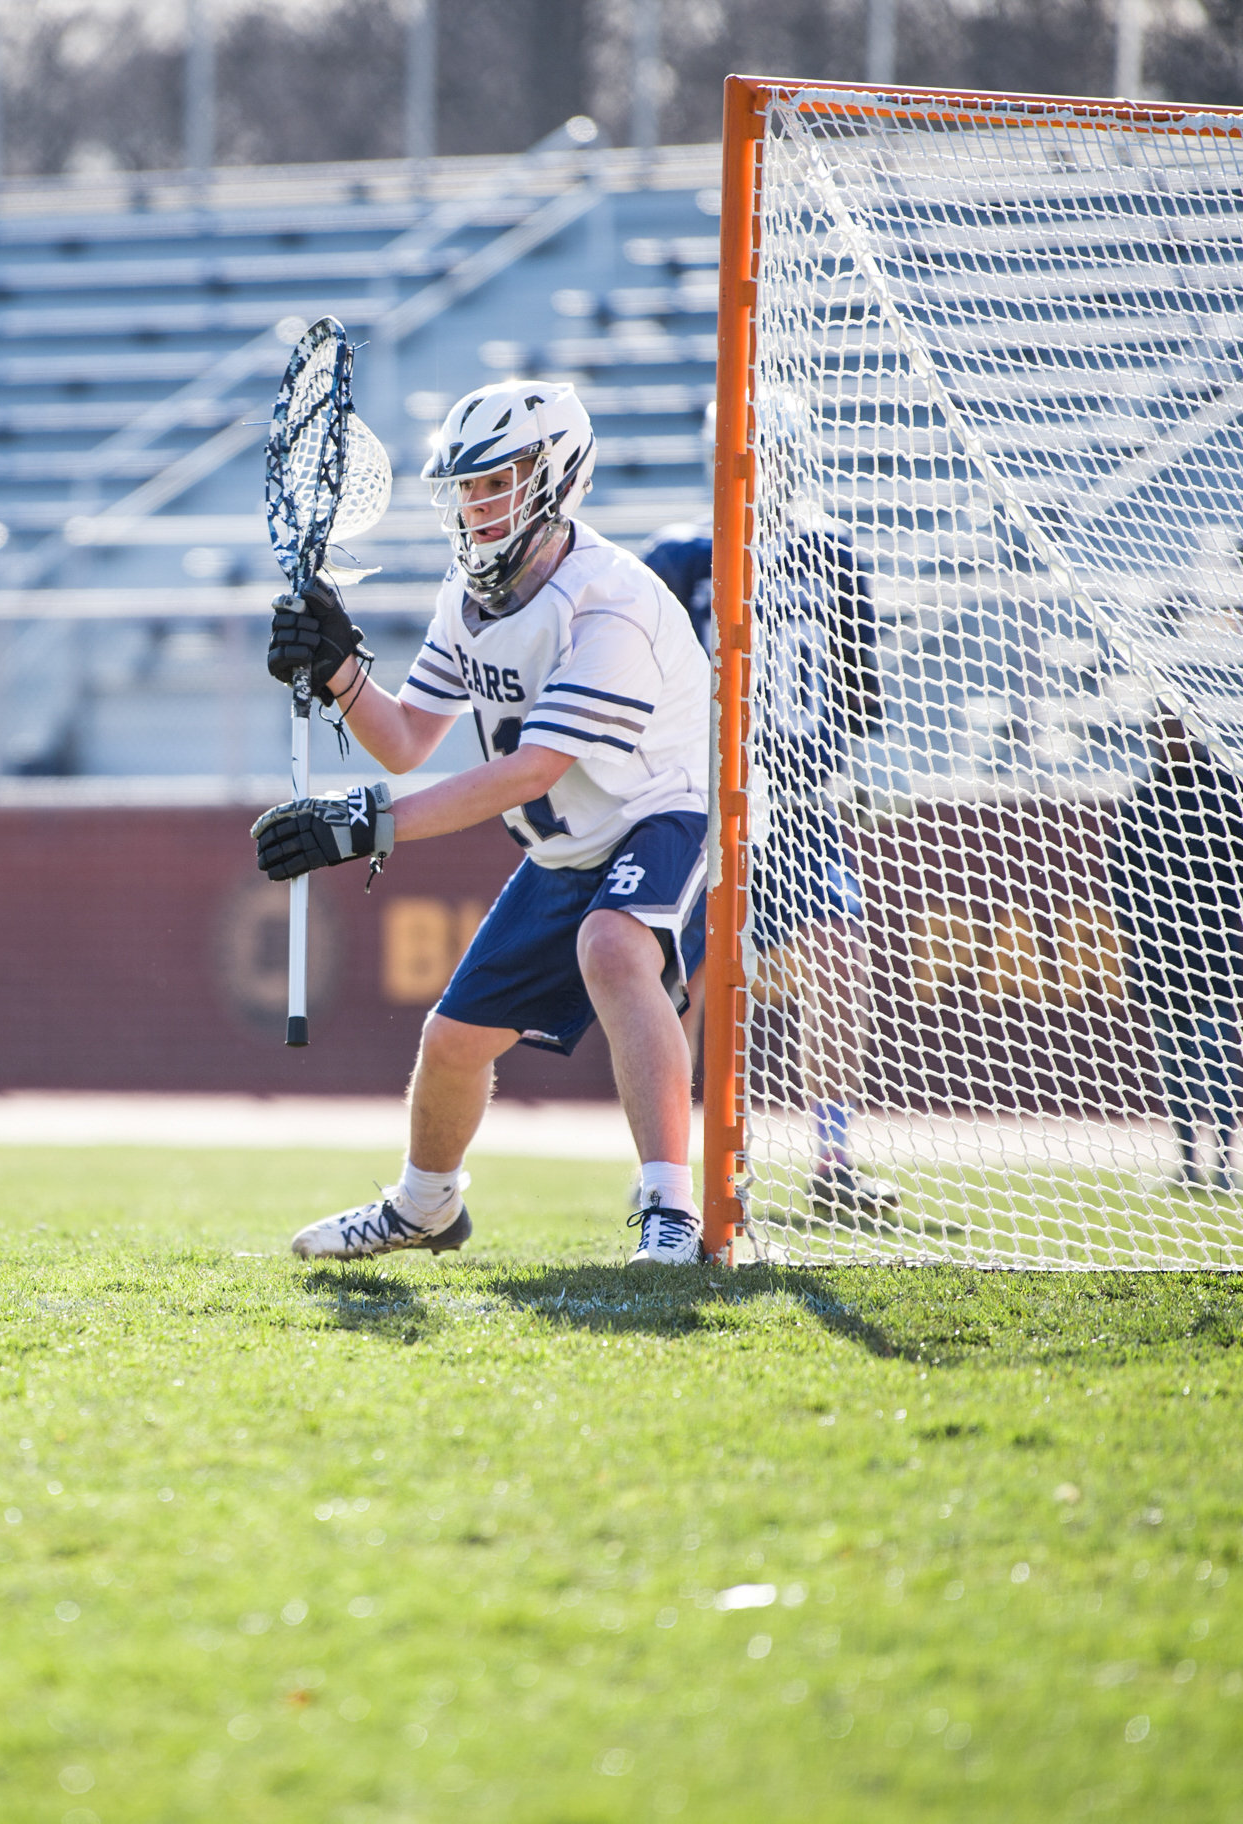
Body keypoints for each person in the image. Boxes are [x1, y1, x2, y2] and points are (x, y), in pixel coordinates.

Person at [252, 379, 714, 1266]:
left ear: (558, 478)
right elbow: (405, 740)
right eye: (467, 485)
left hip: (665, 811)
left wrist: (363, 826)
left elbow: (531, 769)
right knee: (452, 1042)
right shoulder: (466, 597)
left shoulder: (608, 600)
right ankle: (425, 1207)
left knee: (613, 947)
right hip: (568, 842)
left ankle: (670, 1210)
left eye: (499, 481)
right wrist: (340, 668)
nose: (477, 504)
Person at [640, 505, 900, 1220]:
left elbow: (858, 692)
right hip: (697, 799)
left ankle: (833, 1159)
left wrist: (842, 769)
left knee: (841, 959)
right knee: (680, 980)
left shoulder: (831, 552)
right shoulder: (681, 554)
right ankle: (669, 1170)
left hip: (799, 805)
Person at [1107, 709, 1243, 1193]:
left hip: (1213, 950)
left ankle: (1224, 1163)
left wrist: (1212, 908)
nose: (1165, 738)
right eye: (1158, 730)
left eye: (1173, 727)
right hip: (1159, 953)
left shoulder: (1225, 795)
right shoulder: (1141, 800)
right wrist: (1144, 926)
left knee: (1216, 1057)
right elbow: (1120, 880)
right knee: (1173, 1063)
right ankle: (1187, 1161)